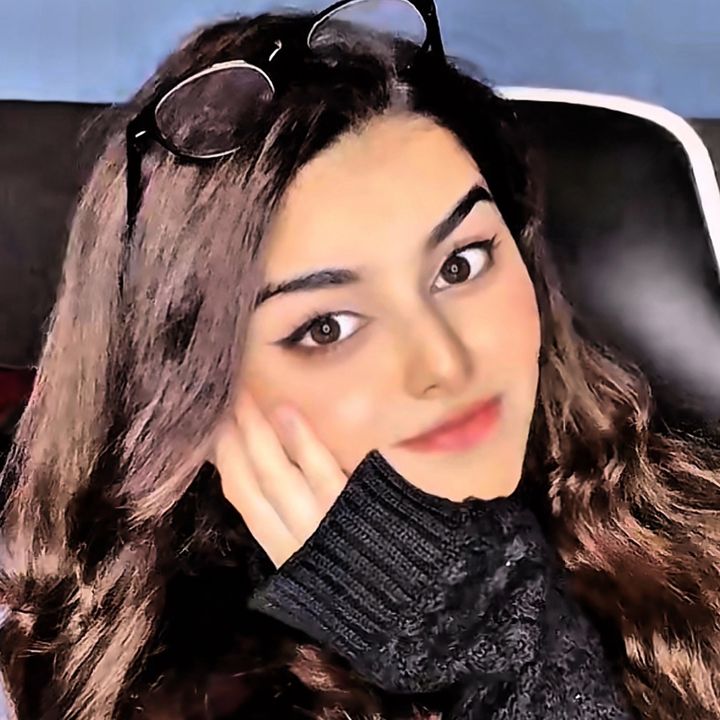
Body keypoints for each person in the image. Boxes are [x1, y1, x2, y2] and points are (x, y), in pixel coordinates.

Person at [1, 4, 719, 719]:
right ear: (197, 391)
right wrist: (490, 643)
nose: (444, 363)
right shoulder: (175, 695)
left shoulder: (681, 512)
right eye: (328, 327)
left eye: (461, 265)